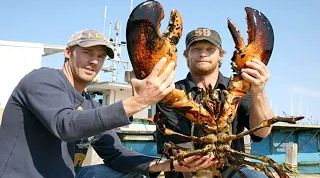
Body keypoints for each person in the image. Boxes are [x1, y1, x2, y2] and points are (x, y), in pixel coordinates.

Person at [0, 29, 216, 178]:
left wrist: (170, 165)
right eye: (87, 52)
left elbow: (115, 153)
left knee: (132, 172)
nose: (94, 61)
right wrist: (139, 101)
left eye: (101, 56)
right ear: (68, 53)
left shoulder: (89, 104)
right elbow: (65, 125)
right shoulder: (42, 79)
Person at [155, 27, 275, 178]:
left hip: (234, 171)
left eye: (210, 49)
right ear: (186, 54)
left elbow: (262, 132)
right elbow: (181, 152)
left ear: (221, 54)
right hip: (187, 173)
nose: (203, 53)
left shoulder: (237, 89)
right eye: (196, 49)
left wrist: (258, 91)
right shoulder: (169, 94)